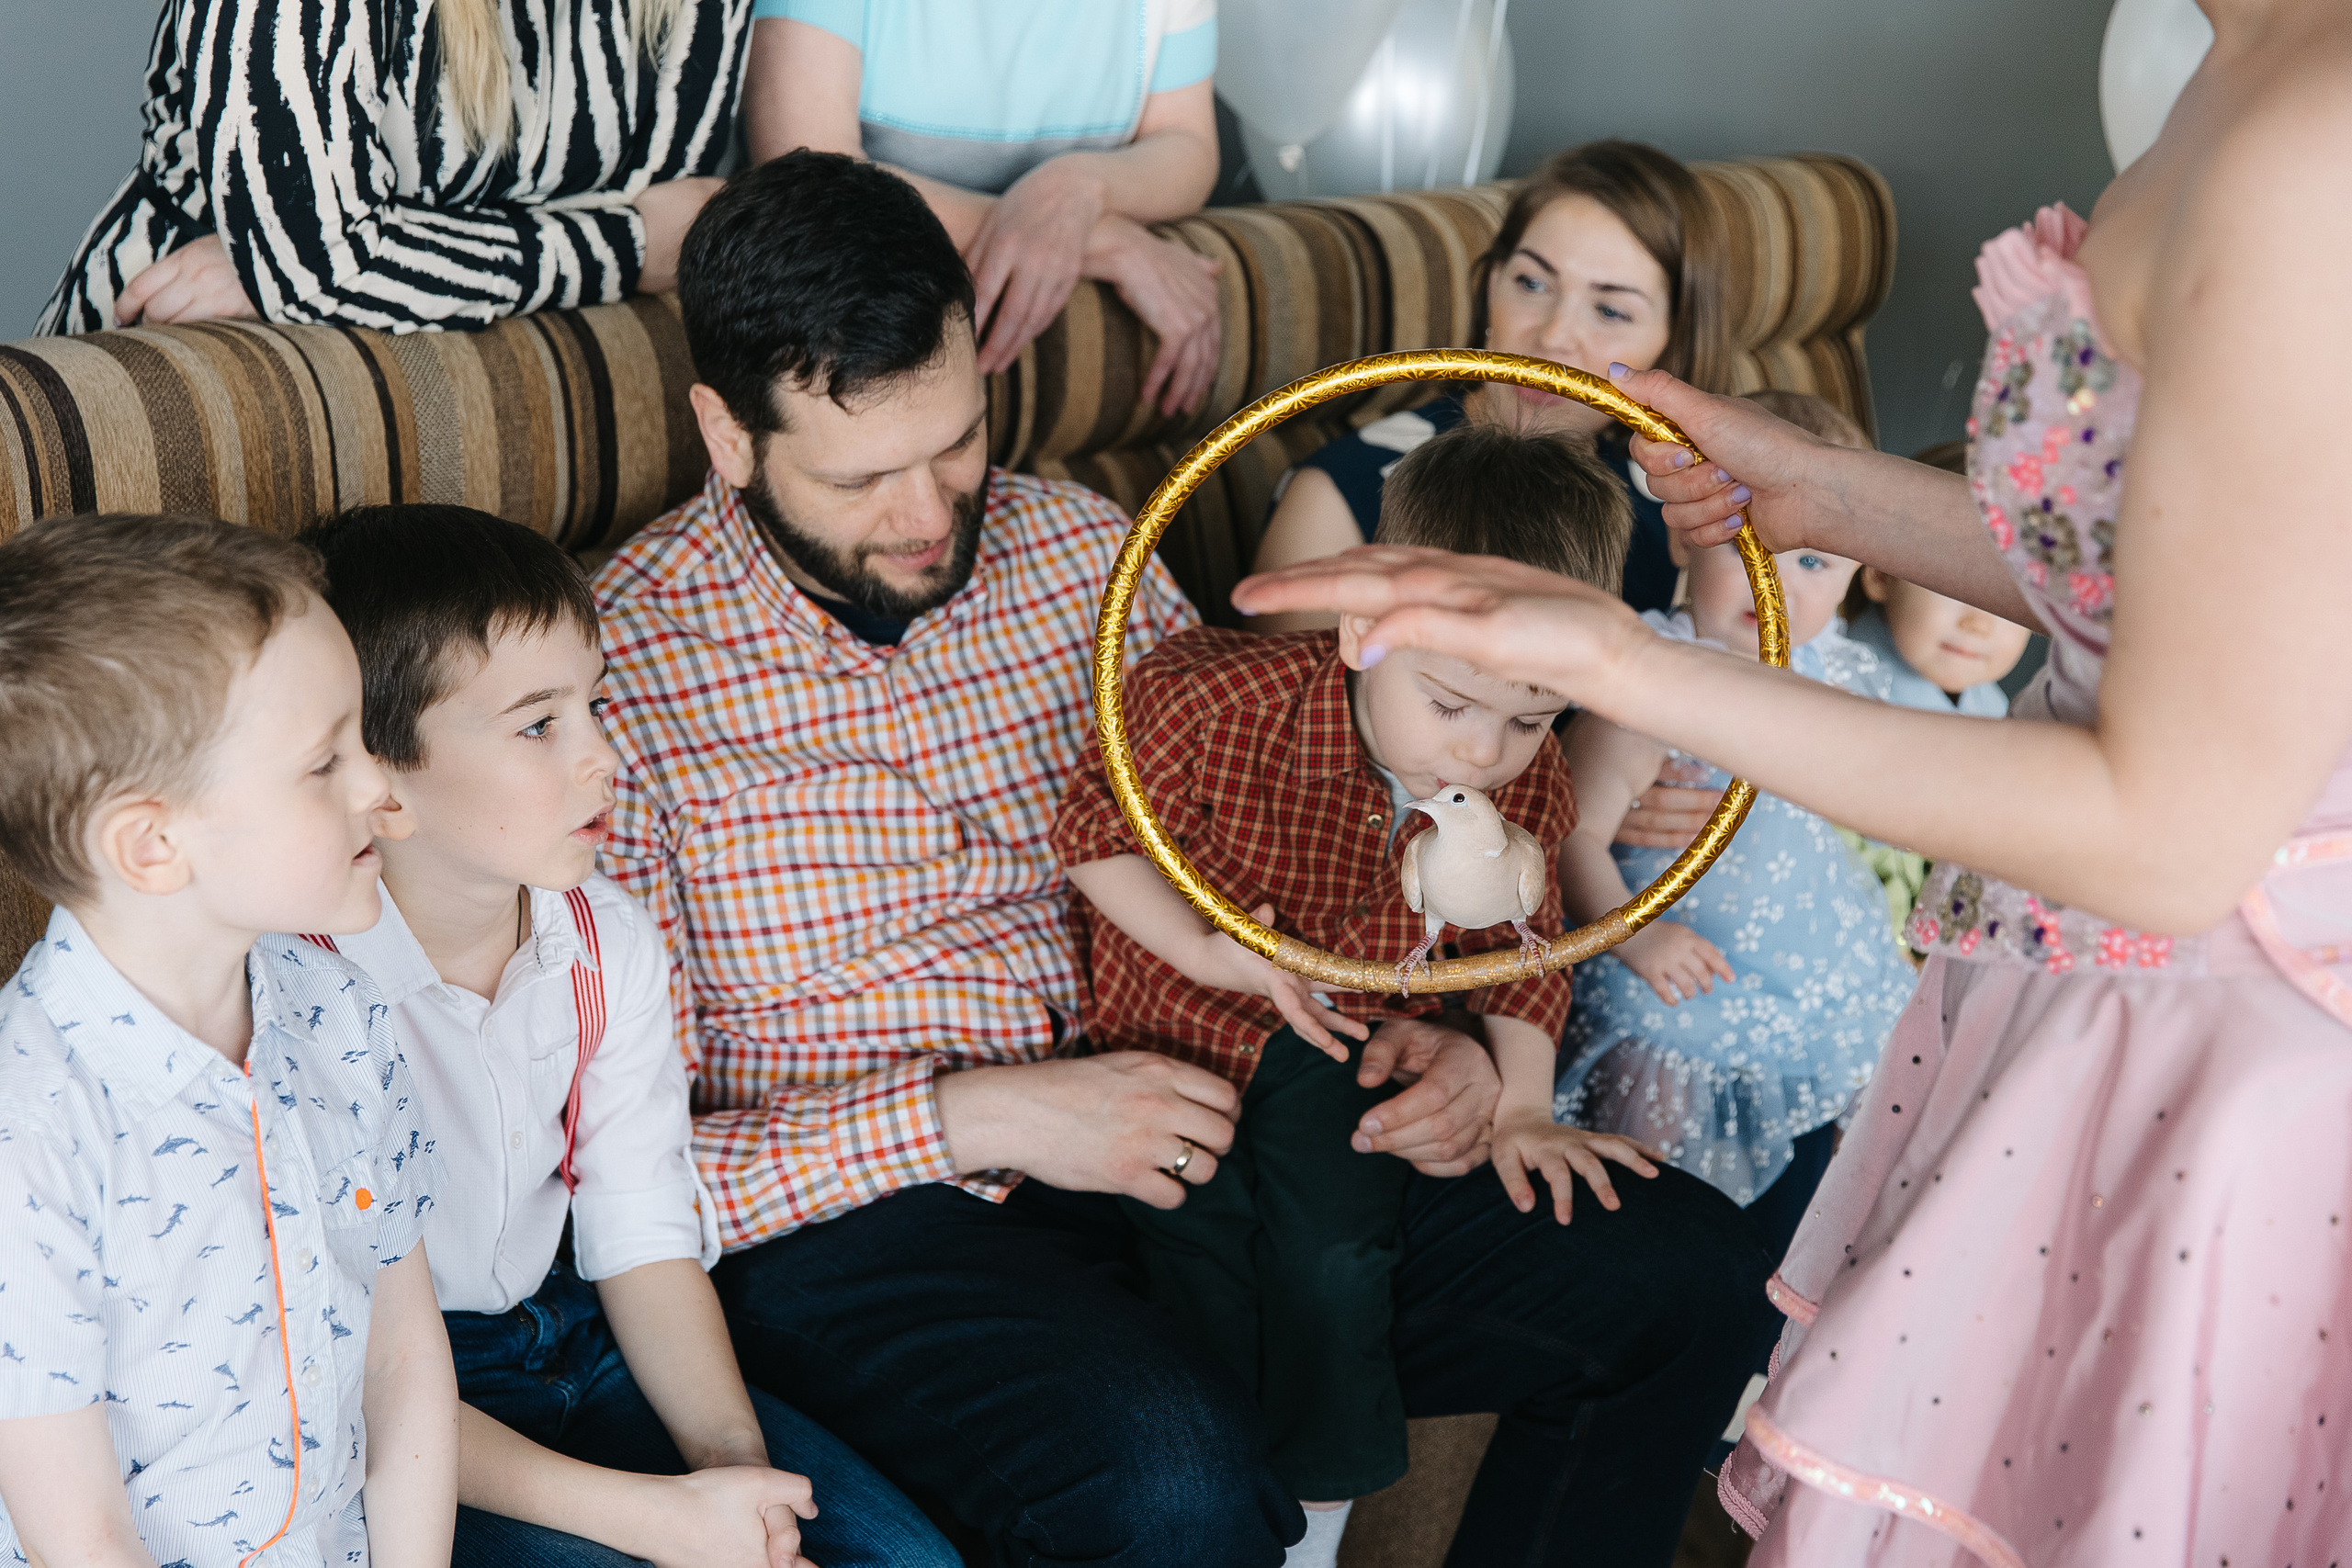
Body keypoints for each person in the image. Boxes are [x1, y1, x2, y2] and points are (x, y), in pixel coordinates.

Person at [1228, 2, 2352, 1554]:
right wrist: (1830, 491)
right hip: (2089, 998)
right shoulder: (2241, 73)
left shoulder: (2318, 143)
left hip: (2230, 1047)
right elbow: (2182, 567)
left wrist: (1627, 665)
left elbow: (2170, 840)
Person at [594, 148, 1777, 1568]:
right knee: (1176, 1485)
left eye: (956, 442)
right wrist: (988, 1116)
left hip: (1220, 1110)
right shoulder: (614, 681)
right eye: (864, 475)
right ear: (726, 435)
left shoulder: (1086, 552)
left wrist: (1455, 1040)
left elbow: (1316, 822)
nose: (929, 513)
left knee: (1692, 1276)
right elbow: (611, 1177)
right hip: (887, 1213)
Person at [300, 504, 958, 1568]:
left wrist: (739, 1483)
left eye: (593, 705)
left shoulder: (607, 940)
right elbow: (368, 1381)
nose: (606, 756)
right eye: (538, 724)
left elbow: (642, 1235)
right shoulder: (303, 996)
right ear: (381, 782)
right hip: (403, 1412)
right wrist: (657, 1521)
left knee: (900, 1558)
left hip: (576, 1329)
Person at [1054, 422, 1660, 1568]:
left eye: (1528, 718)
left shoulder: (1526, 782)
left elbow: (1525, 952)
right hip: (1172, 1020)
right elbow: (1091, 832)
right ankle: (1228, 1509)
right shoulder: (1206, 702)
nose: (1482, 754)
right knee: (1196, 1251)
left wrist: (1524, 1102)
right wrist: (1202, 949)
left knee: (1337, 1257)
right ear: (1360, 633)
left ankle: (1316, 1530)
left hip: (1334, 1040)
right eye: (1448, 705)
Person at [0, 515, 458, 1565]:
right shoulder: (29, 1135)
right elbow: (82, 1538)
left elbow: (400, 1353)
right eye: (323, 763)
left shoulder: (339, 1008)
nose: (381, 792)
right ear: (153, 844)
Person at [1552, 393, 1916, 1258]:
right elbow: (1569, 834)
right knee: (1664, 1177)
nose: (1780, 584)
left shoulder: (1831, 676)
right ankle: (1656, 1273)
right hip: (1674, 970)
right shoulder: (1651, 683)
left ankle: (1794, 1288)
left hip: (1808, 959)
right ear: (1684, 536)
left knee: (1847, 1147)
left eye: (1818, 563)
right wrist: (1635, 939)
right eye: (1750, 547)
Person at [40, 0, 753, 334]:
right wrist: (621, 245)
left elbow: (675, 208)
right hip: (184, 371)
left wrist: (331, 255)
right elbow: (329, 271)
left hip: (459, 419)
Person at [1250, 139, 1727, 630]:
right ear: (1491, 288)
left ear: (1672, 349)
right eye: (1532, 283)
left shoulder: (1675, 520)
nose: (1552, 337)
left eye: (1610, 310)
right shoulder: (1337, 502)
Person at [742, 0, 1223, 414]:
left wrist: (1076, 187)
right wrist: (1100, 242)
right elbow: (807, 169)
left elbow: (1188, 142)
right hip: (855, 339)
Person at [1843, 442, 2033, 717]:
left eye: (2010, 596)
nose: (1978, 624)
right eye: (1956, 586)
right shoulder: (1830, 680)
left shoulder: (1996, 707)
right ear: (1882, 573)